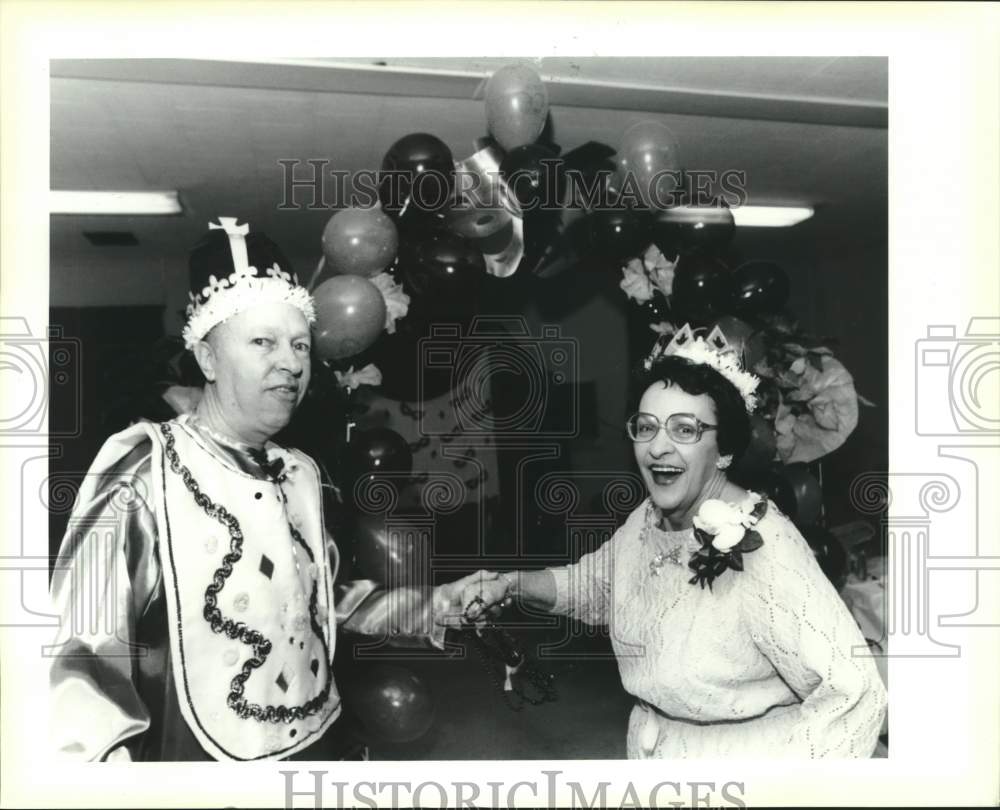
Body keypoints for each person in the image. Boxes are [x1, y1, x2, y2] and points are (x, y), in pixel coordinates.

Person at [49, 217, 473, 762]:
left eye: (299, 344)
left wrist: (433, 606)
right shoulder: (143, 467)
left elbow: (314, 603)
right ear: (206, 358)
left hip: (317, 745)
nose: (291, 363)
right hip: (199, 760)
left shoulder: (301, 474)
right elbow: (78, 653)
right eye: (262, 342)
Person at [460, 324, 888, 758]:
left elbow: (855, 695)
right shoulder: (647, 518)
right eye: (646, 428)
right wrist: (510, 584)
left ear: (723, 449)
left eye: (684, 430)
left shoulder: (764, 544)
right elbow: (594, 584)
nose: (657, 447)